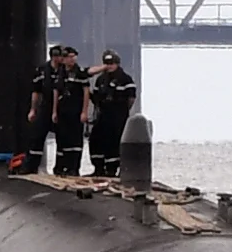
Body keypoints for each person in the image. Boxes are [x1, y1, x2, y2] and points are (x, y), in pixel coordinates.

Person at [87, 49, 138, 178]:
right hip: (103, 115)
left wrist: (122, 112)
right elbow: (97, 98)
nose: (109, 66)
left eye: (111, 63)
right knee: (95, 140)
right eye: (106, 63)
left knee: (113, 142)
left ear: (117, 63)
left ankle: (111, 170)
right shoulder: (101, 79)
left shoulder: (126, 79)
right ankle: (98, 168)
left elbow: (131, 98)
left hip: (117, 116)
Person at [12, 50, 55, 174]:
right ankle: (30, 167)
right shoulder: (42, 70)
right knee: (36, 138)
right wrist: (33, 109)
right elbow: (36, 91)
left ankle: (65, 169)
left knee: (66, 142)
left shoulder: (67, 71)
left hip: (61, 110)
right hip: (45, 109)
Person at [51, 46, 90, 177]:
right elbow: (56, 92)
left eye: (74, 56)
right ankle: (61, 167)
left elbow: (86, 92)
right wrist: (54, 111)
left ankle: (74, 168)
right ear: (64, 59)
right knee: (62, 139)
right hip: (63, 111)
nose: (72, 59)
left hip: (75, 111)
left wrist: (84, 112)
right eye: (70, 57)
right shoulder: (59, 73)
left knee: (75, 140)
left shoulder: (80, 73)